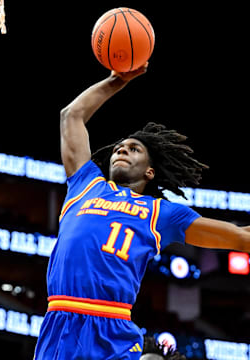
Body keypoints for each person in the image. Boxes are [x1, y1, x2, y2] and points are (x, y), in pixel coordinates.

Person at [34, 63, 250, 360]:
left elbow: (240, 238)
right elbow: (71, 116)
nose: (122, 149)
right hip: (60, 319)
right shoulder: (85, 185)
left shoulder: (162, 212)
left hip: (112, 326)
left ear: (150, 171)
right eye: (119, 147)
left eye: (134, 148)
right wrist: (114, 81)